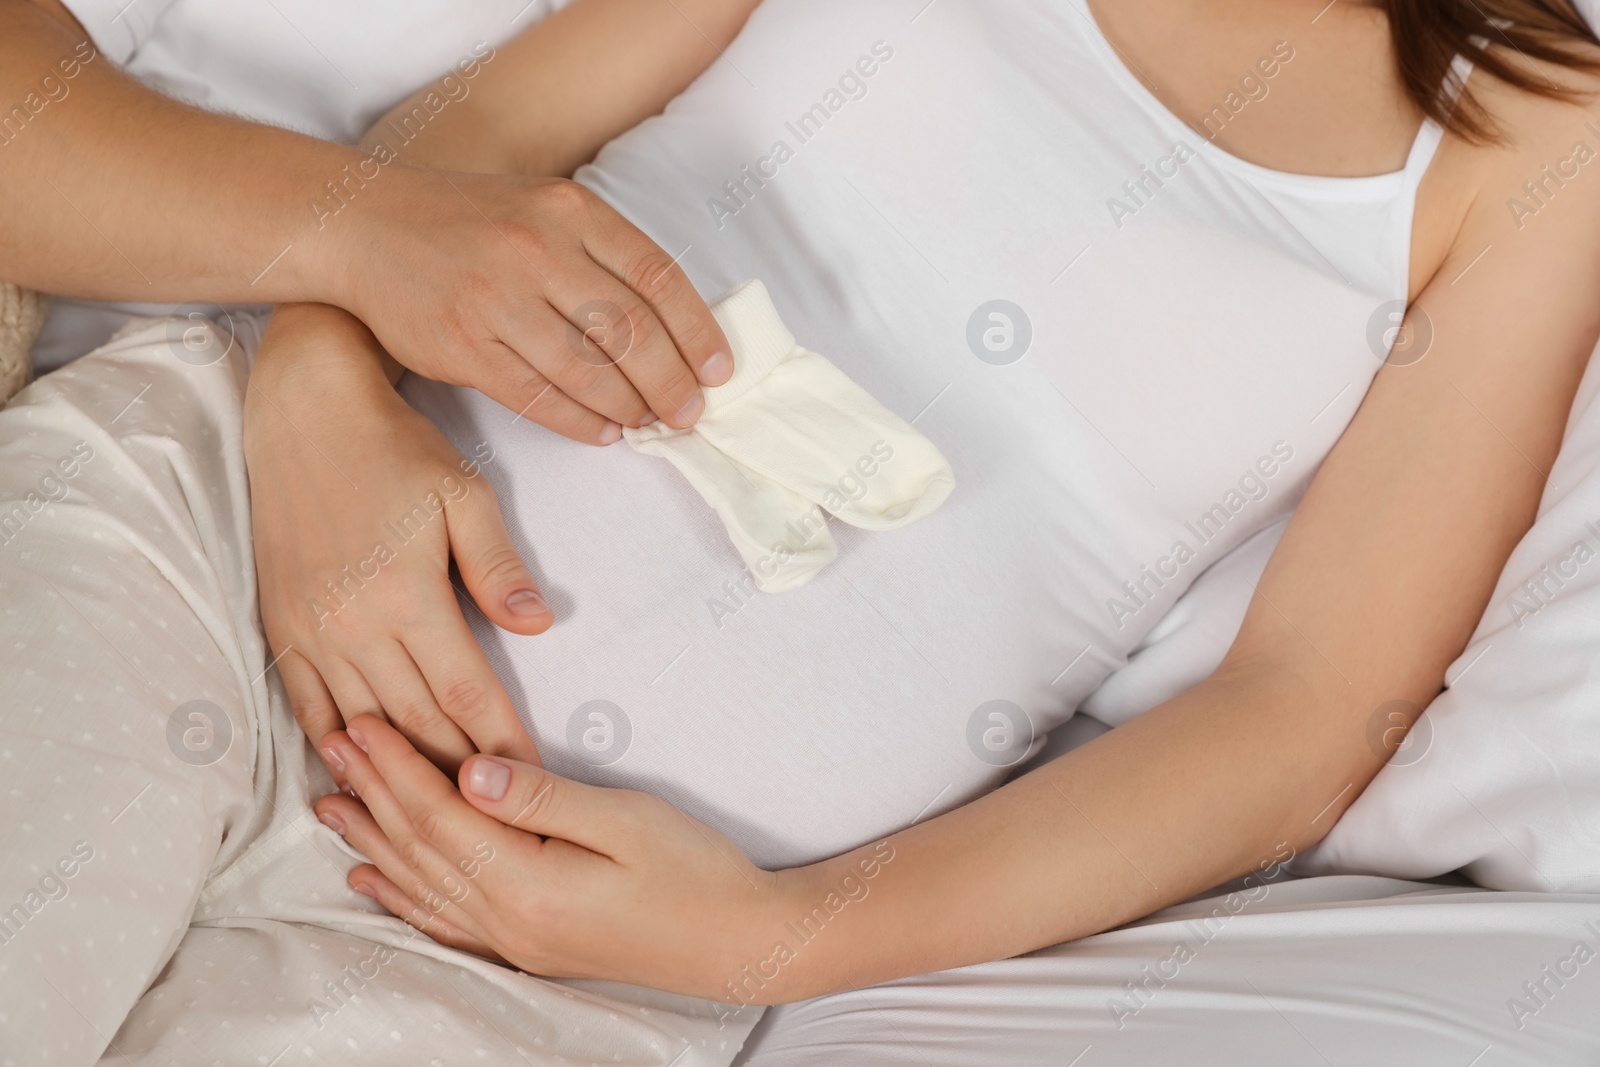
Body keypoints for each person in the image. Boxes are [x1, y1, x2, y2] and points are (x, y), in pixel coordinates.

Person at [3, 0, 1600, 1064]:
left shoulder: (1541, 142)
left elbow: (1309, 711)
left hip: (580, 958)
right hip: (206, 546)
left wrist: (769, 941)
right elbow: (486, 132)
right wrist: (318, 383)